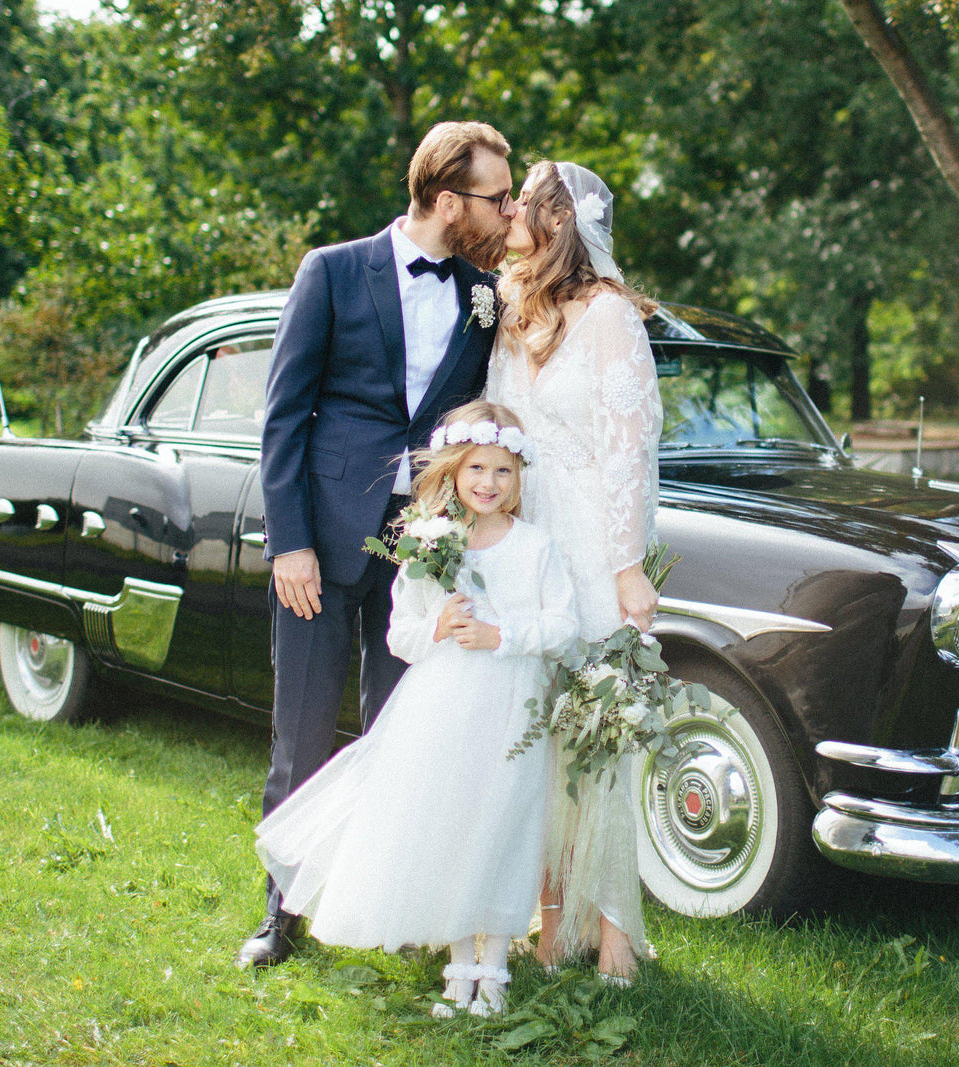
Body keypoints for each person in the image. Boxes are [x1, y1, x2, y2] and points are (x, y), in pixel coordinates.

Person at [240, 121, 519, 969]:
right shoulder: (331, 270)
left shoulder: (486, 294)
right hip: (321, 544)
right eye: (495, 197)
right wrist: (289, 543)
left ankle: (393, 904)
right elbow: (284, 417)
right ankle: (280, 915)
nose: (506, 212)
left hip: (424, 549)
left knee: (403, 731)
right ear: (445, 199)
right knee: (303, 729)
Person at [253, 401, 579, 1018]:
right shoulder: (432, 543)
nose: (489, 482)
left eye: (504, 471)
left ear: (520, 478)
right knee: (452, 820)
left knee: (502, 820)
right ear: (454, 471)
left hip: (511, 707)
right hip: (444, 707)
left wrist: (501, 634)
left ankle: (497, 961)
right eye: (478, 468)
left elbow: (563, 625)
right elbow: (399, 634)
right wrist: (439, 627)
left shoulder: (535, 548)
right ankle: (459, 961)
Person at [484, 160, 662, 984]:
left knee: (601, 733)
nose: (511, 206)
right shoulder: (518, 310)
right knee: (542, 736)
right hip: (528, 544)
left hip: (591, 542)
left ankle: (617, 933)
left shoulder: (611, 318)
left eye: (524, 197)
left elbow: (630, 450)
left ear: (558, 222)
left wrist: (628, 568)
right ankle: (551, 926)